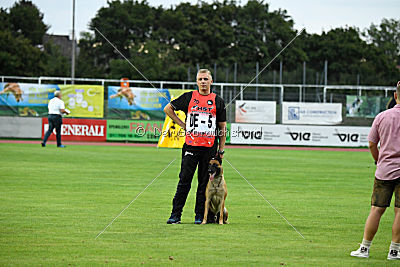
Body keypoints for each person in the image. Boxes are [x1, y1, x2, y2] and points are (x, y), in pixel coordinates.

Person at [164, 69, 227, 224]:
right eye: (200, 79)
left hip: (210, 148)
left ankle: (200, 215)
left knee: (204, 183)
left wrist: (221, 150)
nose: (203, 82)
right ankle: (175, 215)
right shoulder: (189, 97)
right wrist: (182, 124)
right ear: (197, 81)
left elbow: (222, 127)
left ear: (211, 81)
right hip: (191, 147)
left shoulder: (218, 101)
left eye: (206, 79)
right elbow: (168, 108)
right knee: (184, 180)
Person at [350, 81, 400, 260]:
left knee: (376, 210)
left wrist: (378, 160)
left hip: (385, 170)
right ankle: (394, 251)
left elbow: (372, 143)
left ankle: (364, 248)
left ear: (395, 96)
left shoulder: (382, 116)